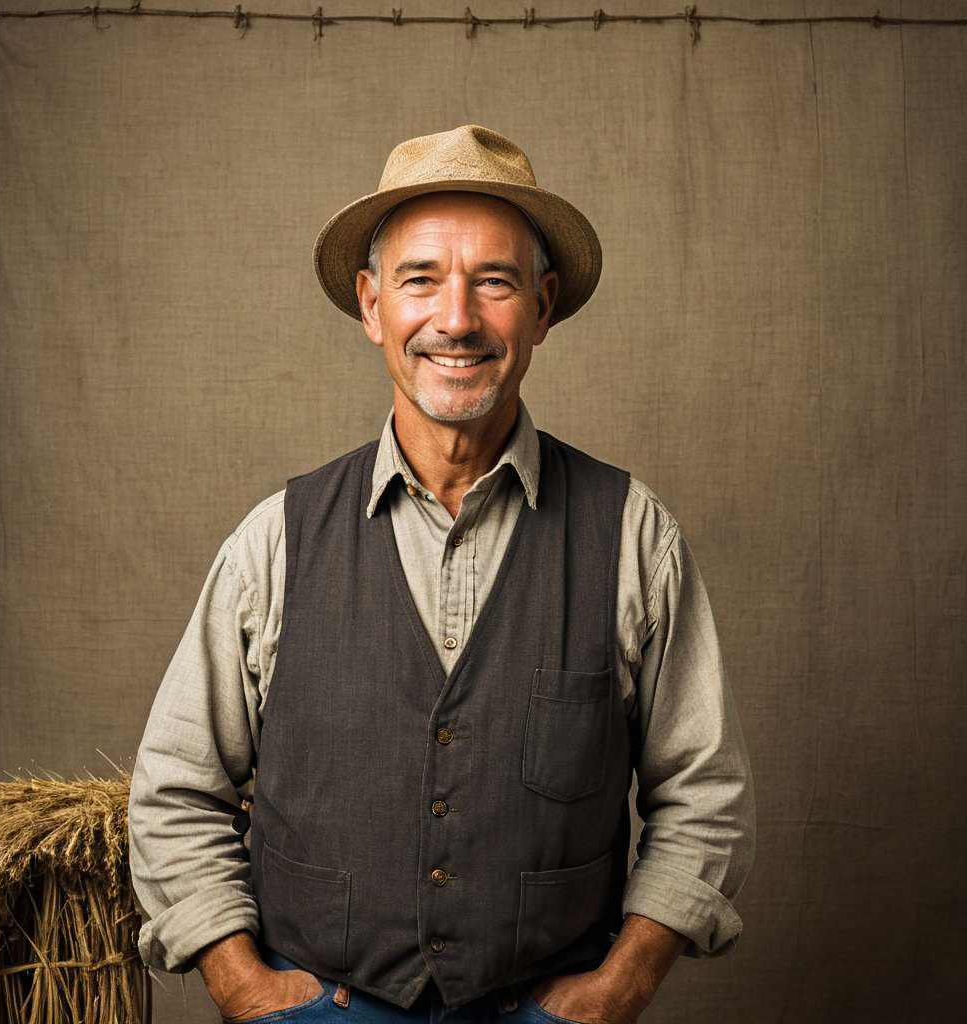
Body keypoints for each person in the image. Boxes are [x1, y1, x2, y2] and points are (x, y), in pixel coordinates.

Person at [129, 124, 755, 1024]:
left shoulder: (633, 537)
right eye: (420, 278)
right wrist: (247, 991)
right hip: (321, 1008)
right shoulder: (276, 543)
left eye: (492, 282)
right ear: (371, 304)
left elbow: (706, 793)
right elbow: (176, 790)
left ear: (541, 308)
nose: (455, 318)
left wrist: (624, 985)